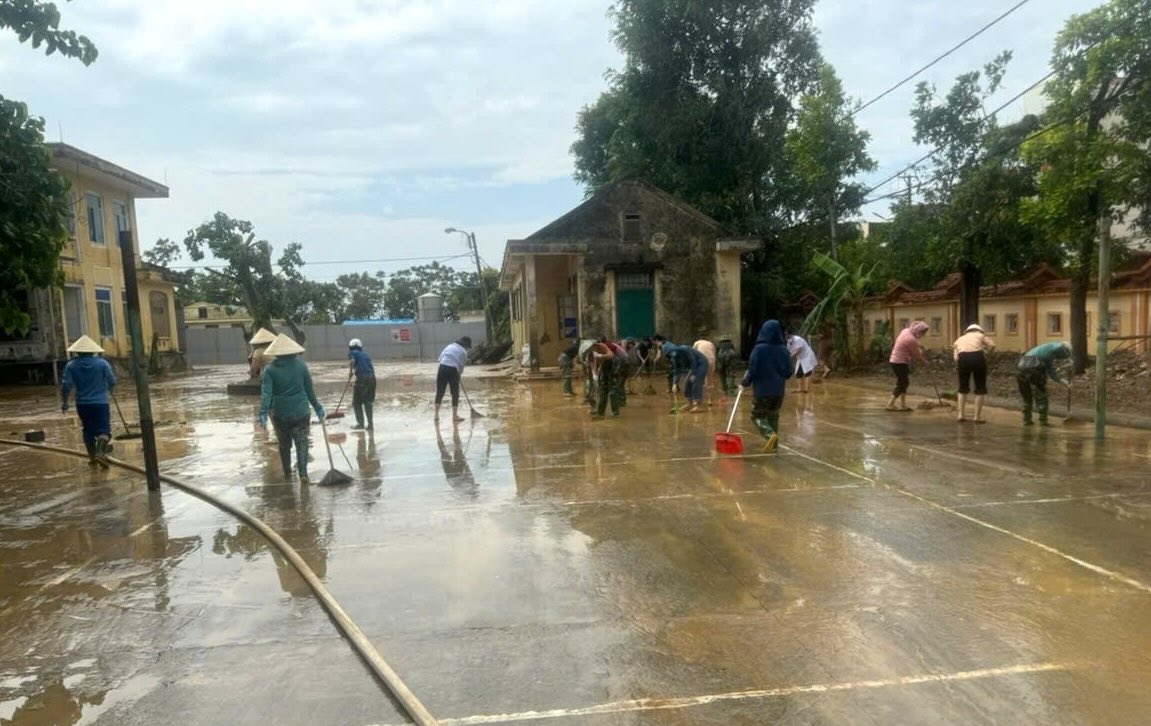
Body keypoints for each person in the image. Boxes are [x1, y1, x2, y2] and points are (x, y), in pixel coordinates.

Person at [258, 333, 325, 483]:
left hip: (280, 413)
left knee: (284, 444)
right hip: (301, 411)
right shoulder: (301, 366)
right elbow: (309, 390)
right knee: (302, 442)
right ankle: (303, 473)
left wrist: (263, 411)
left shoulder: (269, 369)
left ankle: (288, 473)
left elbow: (266, 393)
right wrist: (317, 407)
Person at [59, 335, 116, 467]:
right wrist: (110, 389)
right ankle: (101, 454)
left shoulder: (71, 366)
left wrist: (65, 402)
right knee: (104, 431)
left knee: (88, 430)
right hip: (101, 403)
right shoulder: (102, 364)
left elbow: (66, 386)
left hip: (83, 404)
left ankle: (92, 458)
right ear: (93, 351)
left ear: (77, 351)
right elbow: (112, 381)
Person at [741, 320, 792, 452]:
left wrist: (745, 382)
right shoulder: (784, 350)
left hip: (762, 391)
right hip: (779, 391)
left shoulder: (759, 349)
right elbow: (789, 372)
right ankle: (774, 446)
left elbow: (752, 369)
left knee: (756, 416)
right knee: (773, 416)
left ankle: (769, 434)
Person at [1016, 342, 1072, 426]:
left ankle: (1027, 421)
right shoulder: (1056, 346)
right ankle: (1043, 422)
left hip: (1021, 368)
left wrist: (1065, 382)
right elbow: (1061, 349)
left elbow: (1051, 371)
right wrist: (1069, 358)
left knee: (1026, 397)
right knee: (1041, 396)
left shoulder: (1044, 352)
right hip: (1034, 368)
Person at [952, 323, 996, 423]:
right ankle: (977, 417)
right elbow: (993, 345)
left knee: (963, 388)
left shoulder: (960, 338)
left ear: (967, 331)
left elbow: (955, 357)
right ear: (979, 330)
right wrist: (988, 354)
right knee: (980, 388)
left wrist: (961, 361)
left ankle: (961, 415)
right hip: (978, 358)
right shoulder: (981, 335)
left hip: (962, 359)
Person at [887, 321, 929, 411]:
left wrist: (919, 345)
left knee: (903, 382)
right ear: (918, 331)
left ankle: (903, 405)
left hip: (895, 361)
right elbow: (916, 354)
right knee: (903, 383)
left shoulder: (906, 331)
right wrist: (924, 361)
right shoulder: (911, 340)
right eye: (923, 333)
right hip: (899, 362)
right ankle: (890, 404)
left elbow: (909, 342)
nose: (923, 335)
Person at [434, 336, 471, 422]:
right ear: (466, 345)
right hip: (452, 369)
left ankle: (436, 415)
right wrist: (459, 374)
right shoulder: (464, 352)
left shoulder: (450, 346)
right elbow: (461, 366)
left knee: (440, 391)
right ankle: (455, 416)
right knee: (455, 393)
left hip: (442, 367)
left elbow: (440, 358)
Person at [587, 339, 624, 418]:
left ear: (595, 345)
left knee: (612, 388)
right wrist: (595, 376)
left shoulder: (601, 346)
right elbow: (593, 367)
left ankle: (615, 412)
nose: (592, 349)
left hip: (613, 363)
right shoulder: (589, 354)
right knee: (603, 388)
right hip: (604, 366)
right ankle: (600, 413)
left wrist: (601, 356)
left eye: (592, 347)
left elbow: (610, 355)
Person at [347, 337, 377, 430]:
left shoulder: (353, 353)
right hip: (372, 379)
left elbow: (352, 361)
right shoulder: (365, 354)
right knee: (368, 402)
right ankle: (370, 425)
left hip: (362, 379)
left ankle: (360, 424)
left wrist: (350, 372)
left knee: (356, 402)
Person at [693, 337, 717, 404]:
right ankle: (709, 400)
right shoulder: (710, 343)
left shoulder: (697, 343)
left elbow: (693, 354)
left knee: (698, 380)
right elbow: (714, 355)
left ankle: (697, 400)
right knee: (709, 381)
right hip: (711, 361)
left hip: (702, 362)